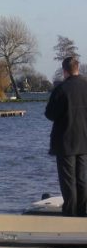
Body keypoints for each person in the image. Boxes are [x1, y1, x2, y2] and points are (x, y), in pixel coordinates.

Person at [45, 56, 87, 217]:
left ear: (64, 71)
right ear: (78, 68)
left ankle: (70, 212)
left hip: (65, 141)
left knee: (68, 180)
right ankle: (83, 211)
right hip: (84, 139)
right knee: (82, 178)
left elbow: (50, 114)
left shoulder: (61, 89)